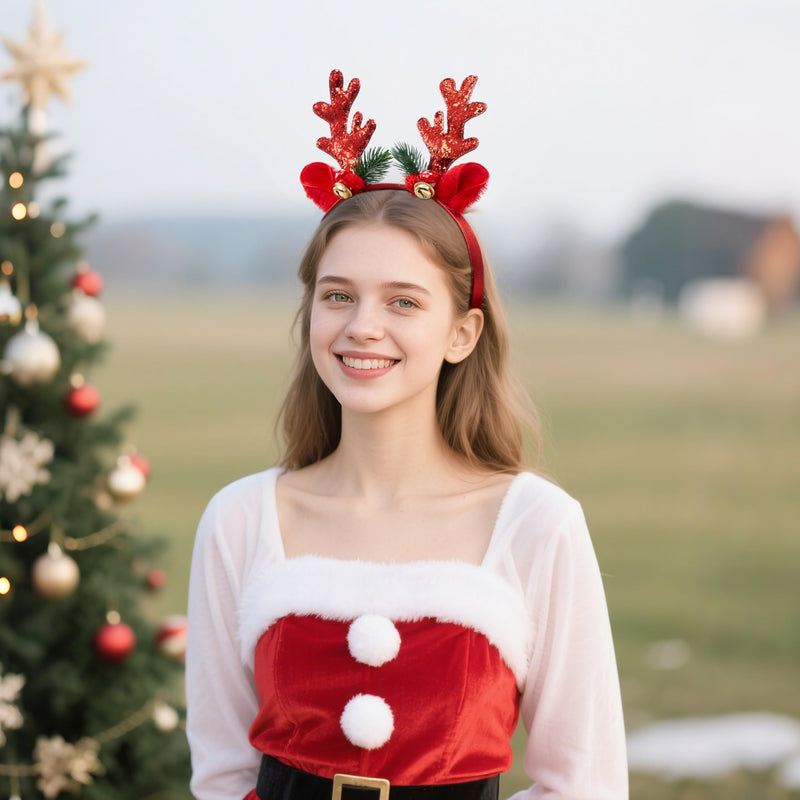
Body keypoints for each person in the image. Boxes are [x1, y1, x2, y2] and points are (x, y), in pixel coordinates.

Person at [186, 71, 628, 800]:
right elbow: (222, 774)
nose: (363, 326)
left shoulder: (538, 526)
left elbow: (583, 785)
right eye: (338, 296)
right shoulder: (241, 520)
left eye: (403, 301)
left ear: (462, 332)